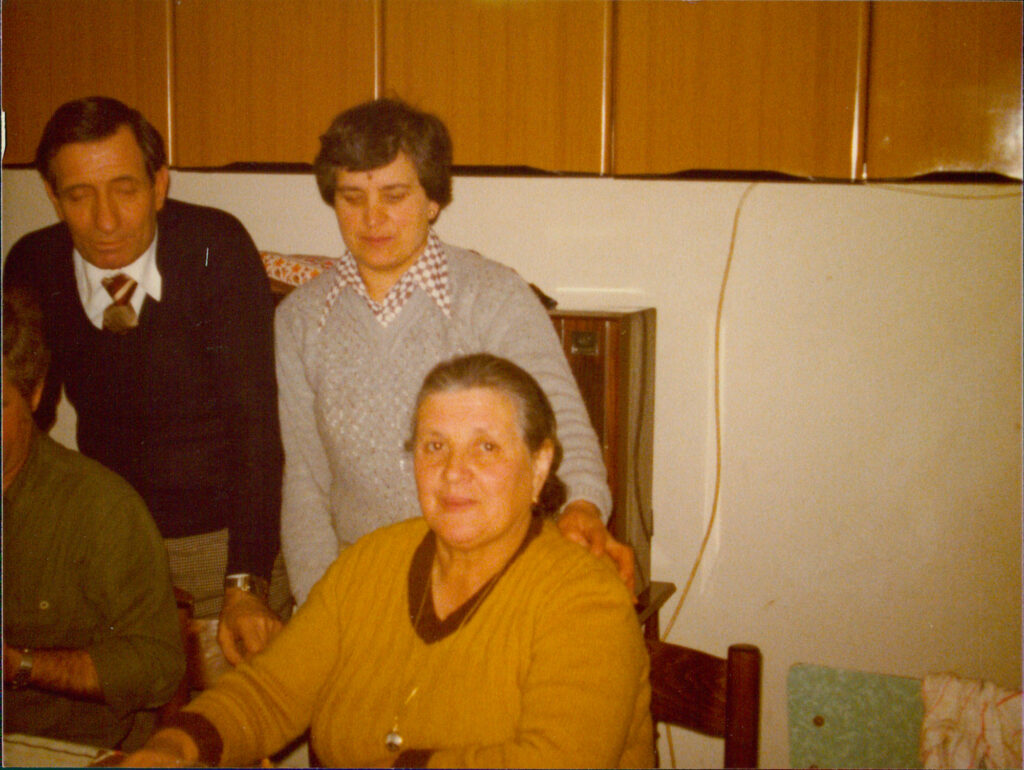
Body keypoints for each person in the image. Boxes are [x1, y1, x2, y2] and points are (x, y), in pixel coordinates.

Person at [123, 353, 652, 768]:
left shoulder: (585, 598)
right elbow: (271, 692)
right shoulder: (371, 561)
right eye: (434, 446)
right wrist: (174, 747)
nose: (454, 472)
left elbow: (558, 762)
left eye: (486, 448)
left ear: (539, 465)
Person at [276, 98, 634, 605]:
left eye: (395, 195)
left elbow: (560, 421)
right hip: (364, 579)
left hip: (487, 574)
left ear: (433, 200)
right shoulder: (300, 319)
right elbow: (305, 481)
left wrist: (583, 504)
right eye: (352, 198)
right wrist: (320, 603)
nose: (372, 218)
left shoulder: (493, 296)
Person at [2, 96, 287, 665]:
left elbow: (257, 427)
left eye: (125, 189)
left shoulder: (215, 248)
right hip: (101, 534)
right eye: (79, 195)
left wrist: (246, 584)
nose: (106, 221)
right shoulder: (33, 263)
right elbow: (24, 415)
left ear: (159, 185)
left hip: (222, 543)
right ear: (52, 195)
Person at [2, 285, 185, 749]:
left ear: (35, 394)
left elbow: (158, 666)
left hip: (66, 750)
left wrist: (20, 665)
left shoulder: (99, 508)